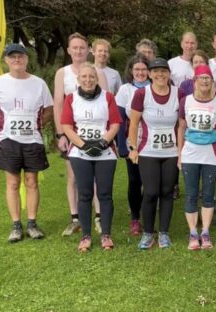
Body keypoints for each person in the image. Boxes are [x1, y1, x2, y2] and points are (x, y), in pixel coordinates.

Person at [0, 43, 53, 242]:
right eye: (12, 57)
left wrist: (37, 125)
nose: (17, 60)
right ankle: (16, 225)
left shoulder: (39, 83)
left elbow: (49, 109)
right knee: (13, 183)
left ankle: (32, 223)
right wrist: (3, 126)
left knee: (32, 182)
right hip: (8, 140)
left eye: (20, 56)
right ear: (6, 60)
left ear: (26, 59)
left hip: (32, 140)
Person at [61, 63, 121, 252]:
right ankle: (86, 235)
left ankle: (106, 234)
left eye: (91, 77)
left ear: (96, 79)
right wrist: (84, 145)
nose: (88, 80)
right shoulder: (71, 98)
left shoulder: (108, 97)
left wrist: (103, 143)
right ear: (78, 79)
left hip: (105, 151)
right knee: (85, 194)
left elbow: (115, 124)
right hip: (80, 152)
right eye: (84, 77)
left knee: (104, 194)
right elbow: (67, 126)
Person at [53, 32, 109, 237]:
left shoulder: (98, 73)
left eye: (82, 48)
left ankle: (98, 216)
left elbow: (105, 103)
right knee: (73, 176)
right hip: (71, 132)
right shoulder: (62, 73)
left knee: (94, 176)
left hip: (95, 132)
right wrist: (61, 134)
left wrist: (105, 135)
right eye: (74, 47)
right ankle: (75, 218)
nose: (78, 51)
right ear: (68, 50)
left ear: (88, 50)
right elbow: (58, 103)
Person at [128, 58, 181, 249]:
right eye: (156, 71)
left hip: (171, 152)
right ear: (150, 74)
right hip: (148, 151)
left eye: (164, 71)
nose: (160, 75)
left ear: (169, 74)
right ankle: (148, 233)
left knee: (167, 192)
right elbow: (133, 123)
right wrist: (133, 148)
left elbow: (181, 124)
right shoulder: (141, 94)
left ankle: (164, 233)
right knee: (150, 192)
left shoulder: (178, 93)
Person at [177, 65, 216, 250]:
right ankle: (193, 233)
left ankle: (205, 232)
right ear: (195, 81)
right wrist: (179, 154)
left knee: (208, 194)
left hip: (211, 152)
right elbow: (181, 128)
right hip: (190, 152)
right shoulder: (186, 101)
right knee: (191, 194)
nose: (205, 81)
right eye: (202, 78)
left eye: (208, 78)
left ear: (212, 82)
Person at [115, 53, 150, 236]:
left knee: (150, 183)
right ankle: (135, 218)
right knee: (135, 181)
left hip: (152, 143)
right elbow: (120, 119)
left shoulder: (156, 87)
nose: (140, 73)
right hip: (133, 143)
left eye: (144, 69)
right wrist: (122, 146)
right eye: (137, 69)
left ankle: (148, 215)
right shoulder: (125, 90)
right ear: (131, 71)